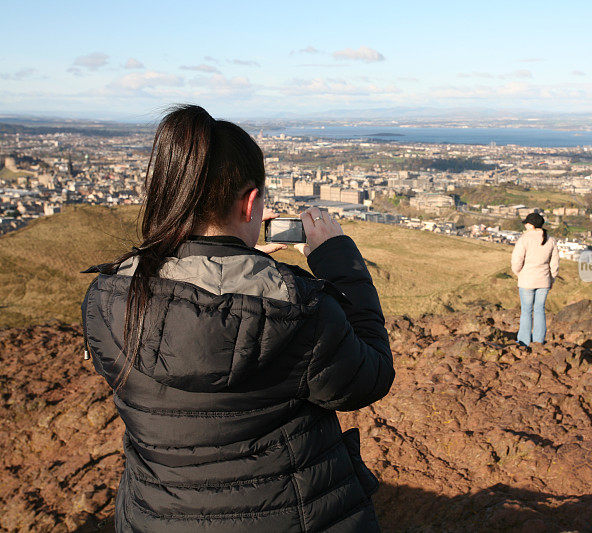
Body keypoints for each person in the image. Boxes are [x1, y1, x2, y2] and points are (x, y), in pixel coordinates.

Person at [81, 105, 394, 532]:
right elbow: (370, 375)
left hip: (154, 519)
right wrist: (341, 264)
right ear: (251, 204)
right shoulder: (299, 310)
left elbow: (186, 306)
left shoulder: (108, 297)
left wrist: (235, 269)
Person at [510, 212, 559, 347]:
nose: (525, 225)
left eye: (526, 223)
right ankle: (538, 341)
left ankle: (523, 342)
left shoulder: (524, 239)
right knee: (539, 310)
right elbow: (554, 264)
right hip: (544, 280)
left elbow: (516, 261)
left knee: (526, 310)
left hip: (526, 280)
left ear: (530, 225)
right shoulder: (551, 240)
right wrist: (551, 279)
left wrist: (519, 273)